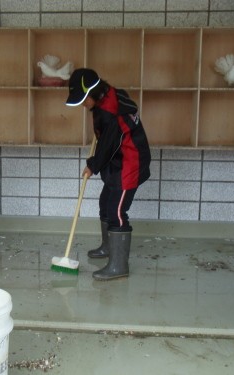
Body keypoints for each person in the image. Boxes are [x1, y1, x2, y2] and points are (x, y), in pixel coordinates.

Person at [66, 68, 151, 281]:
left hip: (129, 163)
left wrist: (92, 165)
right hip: (117, 161)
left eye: (85, 100)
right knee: (105, 203)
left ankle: (118, 265)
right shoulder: (108, 96)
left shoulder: (111, 113)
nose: (84, 104)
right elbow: (107, 142)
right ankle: (107, 247)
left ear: (95, 92)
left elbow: (107, 145)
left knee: (117, 212)